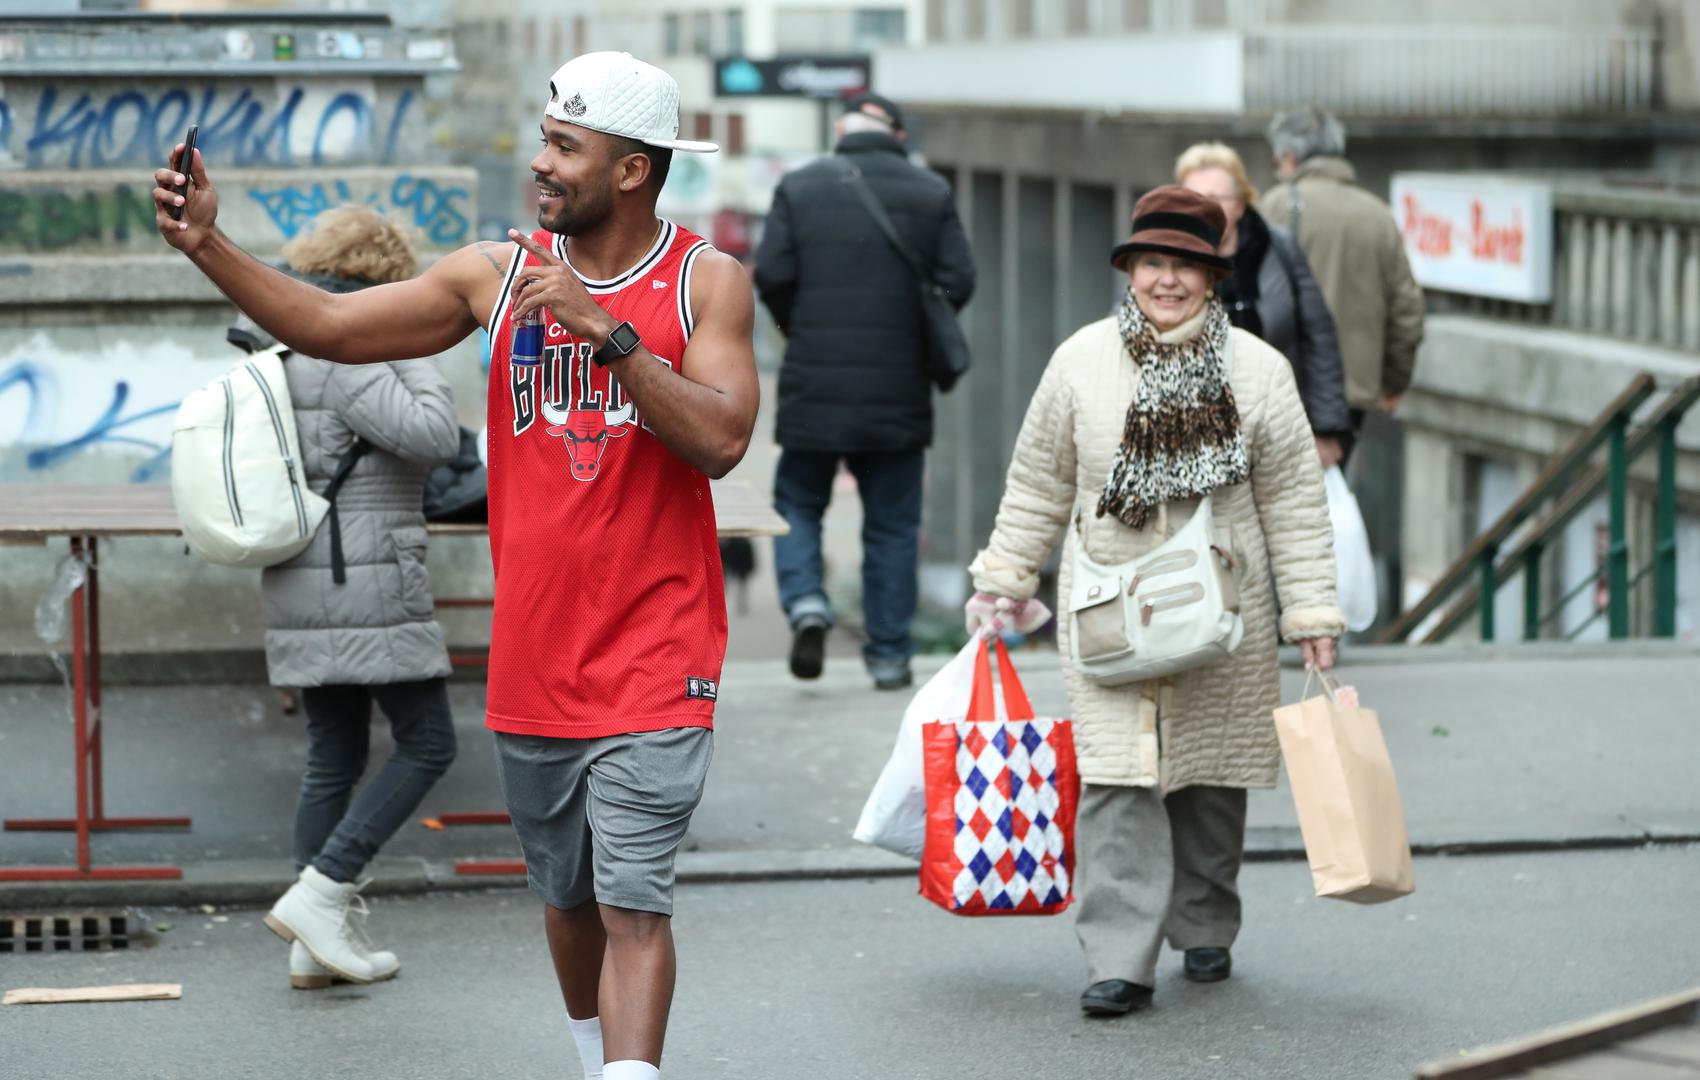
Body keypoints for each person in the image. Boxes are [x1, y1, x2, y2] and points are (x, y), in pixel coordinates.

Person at [154, 51, 758, 1080]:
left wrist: (606, 335)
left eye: (565, 145)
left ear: (629, 169)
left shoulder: (707, 282)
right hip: (536, 662)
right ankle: (592, 1059)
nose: (541, 162)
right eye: (544, 140)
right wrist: (210, 244)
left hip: (659, 653)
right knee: (567, 901)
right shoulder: (497, 273)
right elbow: (334, 327)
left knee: (631, 901)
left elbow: (720, 440)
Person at [964, 188, 1344, 1017]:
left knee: (1210, 777)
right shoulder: (1079, 361)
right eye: (1153, 262)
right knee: (1116, 779)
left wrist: (1312, 614)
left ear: (1213, 278)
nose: (1167, 280)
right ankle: (1119, 957)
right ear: (1130, 269)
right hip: (1107, 604)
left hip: (1223, 608)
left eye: (1186, 265)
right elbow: (1038, 483)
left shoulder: (1260, 370)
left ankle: (1206, 923)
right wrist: (1004, 579)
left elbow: (1294, 503)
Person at [234, 206, 462, 992]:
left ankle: (312, 946)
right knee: (430, 743)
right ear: (384, 279)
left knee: (333, 755)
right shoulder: (353, 348)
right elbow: (435, 435)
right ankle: (323, 891)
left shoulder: (278, 339)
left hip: (305, 573)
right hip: (364, 578)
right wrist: (420, 341)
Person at [754, 91, 976, 691]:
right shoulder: (928, 193)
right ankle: (889, 654)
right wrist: (915, 318)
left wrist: (799, 326)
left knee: (799, 502)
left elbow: (770, 274)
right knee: (893, 524)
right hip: (897, 386)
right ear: (897, 135)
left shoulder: (799, 188)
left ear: (843, 132)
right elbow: (960, 279)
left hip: (813, 381)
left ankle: (805, 603)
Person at [1175, 142, 1352, 468]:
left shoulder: (1278, 248)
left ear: (1241, 204)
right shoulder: (1164, 260)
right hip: (1192, 441)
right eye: (1192, 200)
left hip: (1276, 432)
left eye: (1215, 199)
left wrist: (1327, 429)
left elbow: (1319, 336)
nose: (1203, 210)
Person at [1260, 109, 1425, 428]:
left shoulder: (1276, 205)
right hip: (1353, 394)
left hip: (1287, 389)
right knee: (1333, 477)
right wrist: (1393, 382)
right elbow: (1407, 312)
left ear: (1289, 157)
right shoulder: (1378, 215)